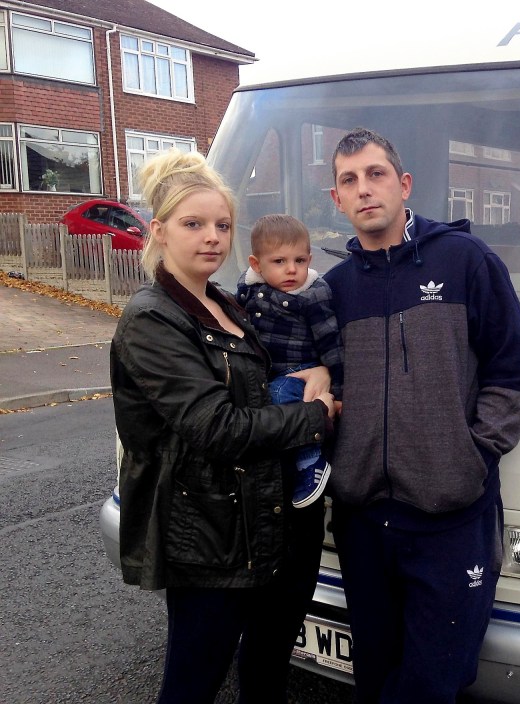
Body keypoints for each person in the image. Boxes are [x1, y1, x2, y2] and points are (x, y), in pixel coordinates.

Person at [323, 127, 520, 703]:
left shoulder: (466, 261)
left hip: (451, 518)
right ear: (336, 199)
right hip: (365, 521)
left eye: (376, 174)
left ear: (404, 184)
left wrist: (470, 456)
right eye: (350, 180)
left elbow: (513, 371)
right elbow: (324, 386)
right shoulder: (334, 290)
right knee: (375, 675)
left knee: (434, 680)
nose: (365, 189)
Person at [110, 150, 334, 704]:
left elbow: (273, 377)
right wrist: (317, 415)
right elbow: (217, 427)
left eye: (222, 225)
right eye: (193, 224)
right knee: (194, 680)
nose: (212, 238)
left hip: (275, 522)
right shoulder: (152, 319)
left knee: (266, 670)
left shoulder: (230, 304)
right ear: (159, 232)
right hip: (211, 538)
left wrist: (321, 369)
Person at [236, 213, 342, 508]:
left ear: (310, 259)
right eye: (279, 262)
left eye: (300, 260)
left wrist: (340, 390)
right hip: (268, 372)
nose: (291, 270)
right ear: (256, 265)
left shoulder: (313, 295)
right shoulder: (247, 291)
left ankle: (311, 462)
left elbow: (331, 343)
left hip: (301, 369)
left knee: (281, 395)